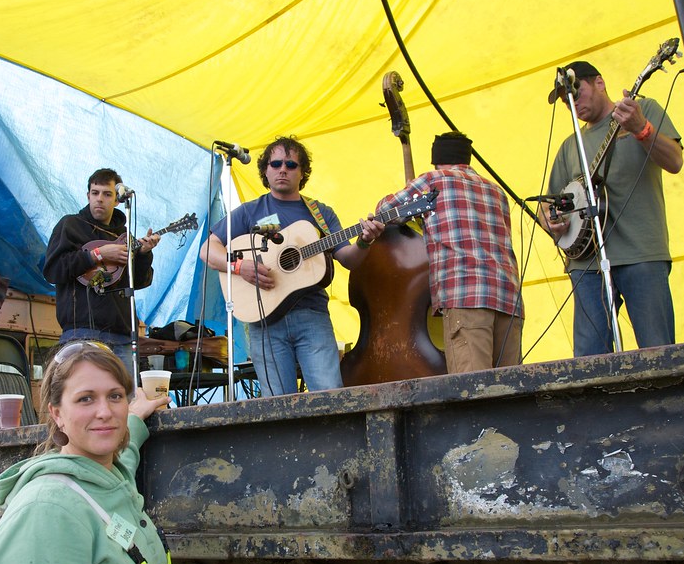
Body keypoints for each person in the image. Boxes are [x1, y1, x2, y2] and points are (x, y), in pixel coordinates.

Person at [0, 340, 177, 564]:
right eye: (86, 399)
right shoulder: (46, 513)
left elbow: (122, 461)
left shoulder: (107, 479)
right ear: (57, 414)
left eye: (115, 396)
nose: (105, 411)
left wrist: (133, 419)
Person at [200, 135, 384, 395]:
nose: (282, 169)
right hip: (264, 321)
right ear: (265, 170)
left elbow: (349, 260)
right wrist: (240, 266)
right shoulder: (249, 212)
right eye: (275, 164)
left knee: (329, 396)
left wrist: (365, 242)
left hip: (312, 317)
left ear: (302, 172)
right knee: (278, 404)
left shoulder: (321, 213)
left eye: (290, 164)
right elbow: (208, 250)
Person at [541, 60, 684, 356]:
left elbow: (675, 162)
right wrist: (552, 222)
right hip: (587, 263)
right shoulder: (571, 146)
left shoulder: (643, 111)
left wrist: (641, 129)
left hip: (641, 254)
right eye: (566, 101)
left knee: (658, 352)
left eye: (576, 93)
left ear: (600, 82)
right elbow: (547, 207)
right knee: (590, 360)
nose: (573, 104)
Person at [375, 131, 524, 373]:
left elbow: (385, 210)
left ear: (437, 160)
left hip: (466, 296)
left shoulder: (433, 181)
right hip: (509, 299)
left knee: (472, 390)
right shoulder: (497, 192)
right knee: (511, 391)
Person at [44, 168, 162, 373]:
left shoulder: (125, 236)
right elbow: (53, 270)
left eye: (107, 194)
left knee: (125, 400)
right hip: (82, 334)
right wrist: (97, 255)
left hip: (122, 337)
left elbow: (139, 282)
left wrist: (143, 253)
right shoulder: (70, 225)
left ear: (117, 200)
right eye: (95, 193)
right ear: (88, 195)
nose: (100, 199)